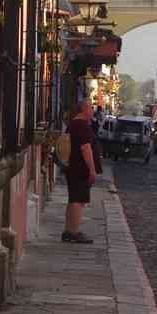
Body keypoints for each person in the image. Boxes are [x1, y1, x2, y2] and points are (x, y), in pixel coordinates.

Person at [62, 99, 97, 244]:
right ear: (84, 109)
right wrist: (92, 170)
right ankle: (74, 232)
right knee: (78, 200)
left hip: (72, 168)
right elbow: (85, 148)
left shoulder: (73, 124)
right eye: (91, 108)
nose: (93, 111)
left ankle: (69, 230)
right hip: (80, 168)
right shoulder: (82, 125)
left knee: (73, 199)